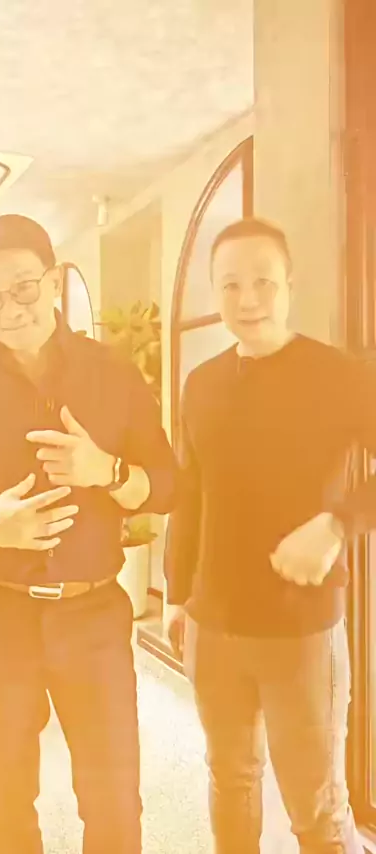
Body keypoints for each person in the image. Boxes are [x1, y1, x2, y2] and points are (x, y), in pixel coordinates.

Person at [0, 214, 179, 854]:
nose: (9, 309)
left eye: (23, 287)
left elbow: (168, 486)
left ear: (55, 280)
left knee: (114, 803)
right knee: (6, 803)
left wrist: (107, 471)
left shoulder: (113, 374)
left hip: (92, 616)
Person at [164, 217, 375, 854]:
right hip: (214, 624)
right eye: (230, 284)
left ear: (289, 284)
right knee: (230, 779)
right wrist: (177, 595)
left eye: (263, 281)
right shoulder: (201, 384)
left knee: (316, 807)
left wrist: (338, 523)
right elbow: (189, 495)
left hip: (301, 628)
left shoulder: (340, 374)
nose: (247, 299)